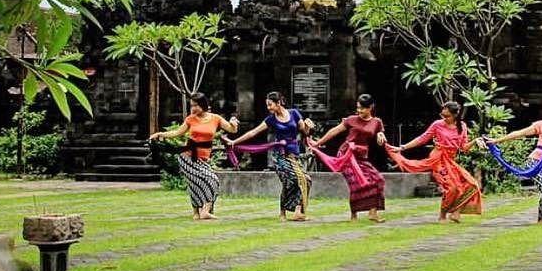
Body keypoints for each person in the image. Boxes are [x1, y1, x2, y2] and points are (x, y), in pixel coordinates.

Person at [386, 101, 482, 223]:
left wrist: (475, 141)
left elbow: (463, 147)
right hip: (438, 159)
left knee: (471, 184)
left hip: (450, 160)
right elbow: (422, 138)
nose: (444, 118)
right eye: (442, 115)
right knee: (451, 188)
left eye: (447, 116)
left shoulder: (462, 126)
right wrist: (402, 147)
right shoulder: (437, 125)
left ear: (455, 115)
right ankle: (442, 215)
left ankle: (456, 213)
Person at [149, 93, 238, 220]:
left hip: (203, 159)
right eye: (192, 105)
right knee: (210, 180)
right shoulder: (190, 119)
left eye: (196, 105)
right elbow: (177, 132)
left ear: (203, 104)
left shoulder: (215, 118)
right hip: (187, 157)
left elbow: (232, 130)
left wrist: (234, 123)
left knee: (200, 183)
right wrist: (160, 134)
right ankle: (204, 211)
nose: (193, 108)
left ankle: (197, 213)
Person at [228, 92, 314, 221]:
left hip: (293, 155)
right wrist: (234, 142)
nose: (268, 108)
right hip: (280, 156)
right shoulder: (271, 119)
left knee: (305, 180)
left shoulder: (294, 114)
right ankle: (283, 212)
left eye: (270, 104)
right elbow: (253, 132)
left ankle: (298, 211)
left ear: (278, 103)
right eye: (267, 105)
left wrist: (309, 127)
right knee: (290, 181)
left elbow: (305, 132)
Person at [311, 93, 388, 222]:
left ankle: (373, 213)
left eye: (362, 108)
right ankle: (354, 215)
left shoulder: (376, 122)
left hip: (361, 156)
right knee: (356, 183)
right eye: (358, 108)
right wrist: (318, 143)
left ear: (370, 108)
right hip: (346, 155)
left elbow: (380, 134)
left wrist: (381, 137)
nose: (359, 111)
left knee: (378, 179)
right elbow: (334, 131)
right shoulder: (351, 119)